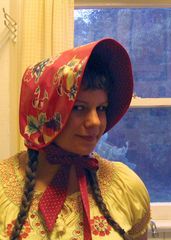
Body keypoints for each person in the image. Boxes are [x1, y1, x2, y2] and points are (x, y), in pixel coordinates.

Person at [0, 38, 150, 240]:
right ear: (44, 111)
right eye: (79, 108)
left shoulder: (126, 186)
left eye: (101, 108)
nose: (95, 122)